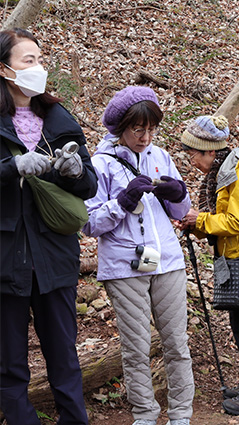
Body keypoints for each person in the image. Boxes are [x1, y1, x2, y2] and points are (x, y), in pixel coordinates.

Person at [0, 28, 97, 425]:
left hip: (55, 256)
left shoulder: (57, 115)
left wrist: (74, 172)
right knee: (9, 362)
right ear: (4, 69)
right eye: (28, 60)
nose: (38, 67)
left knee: (63, 354)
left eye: (40, 59)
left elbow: (90, 184)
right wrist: (11, 168)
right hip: (6, 259)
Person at [83, 86, 194, 425]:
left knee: (177, 343)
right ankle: (145, 414)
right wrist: (122, 202)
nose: (146, 137)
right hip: (123, 266)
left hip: (168, 260)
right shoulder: (100, 164)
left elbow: (181, 210)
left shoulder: (160, 157)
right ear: (121, 128)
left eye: (151, 129)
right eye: (138, 129)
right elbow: (89, 223)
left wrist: (179, 194)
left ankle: (181, 415)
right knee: (136, 346)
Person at [178, 115, 239, 416]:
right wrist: (195, 225)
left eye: (193, 153)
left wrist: (200, 219)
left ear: (210, 150)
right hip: (236, 262)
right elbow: (220, 221)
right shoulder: (222, 175)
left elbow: (237, 221)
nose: (191, 160)